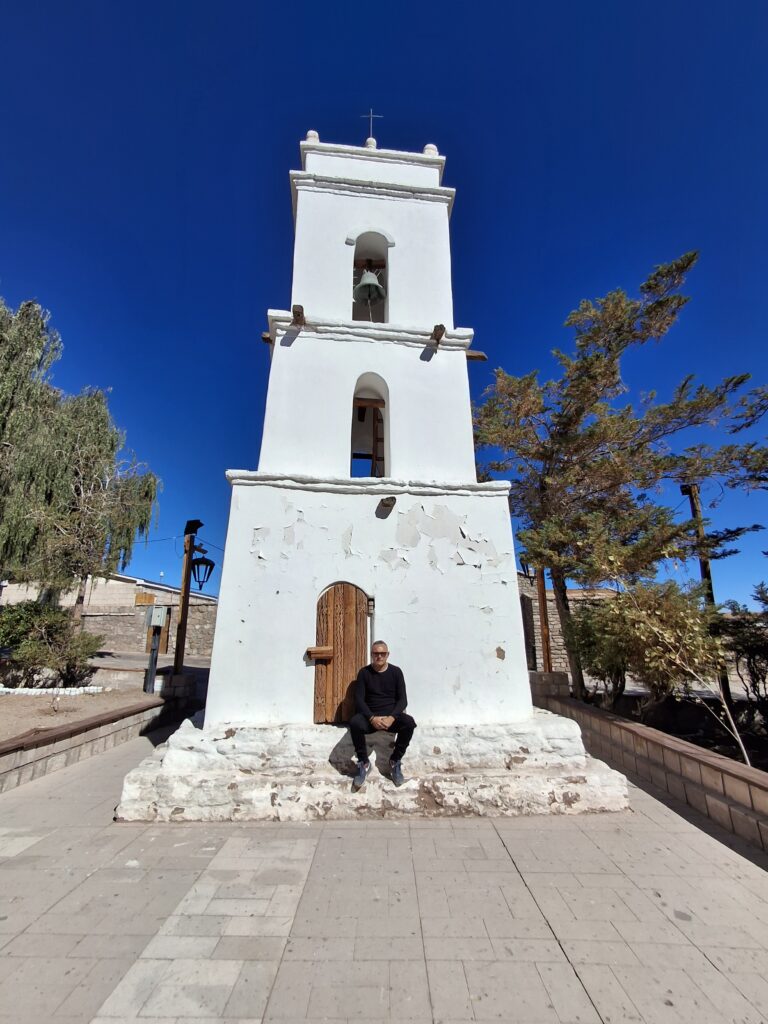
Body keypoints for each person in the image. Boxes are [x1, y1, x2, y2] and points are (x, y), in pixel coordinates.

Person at [348, 640, 416, 790]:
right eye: (376, 653)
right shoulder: (364, 673)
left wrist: (392, 717)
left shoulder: (396, 672)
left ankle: (395, 760)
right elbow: (359, 700)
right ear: (372, 655)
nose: (379, 656)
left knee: (409, 723)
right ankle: (363, 763)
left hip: (391, 718)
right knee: (355, 723)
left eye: (382, 653)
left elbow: (403, 700)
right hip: (371, 718)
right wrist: (371, 718)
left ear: (387, 655)